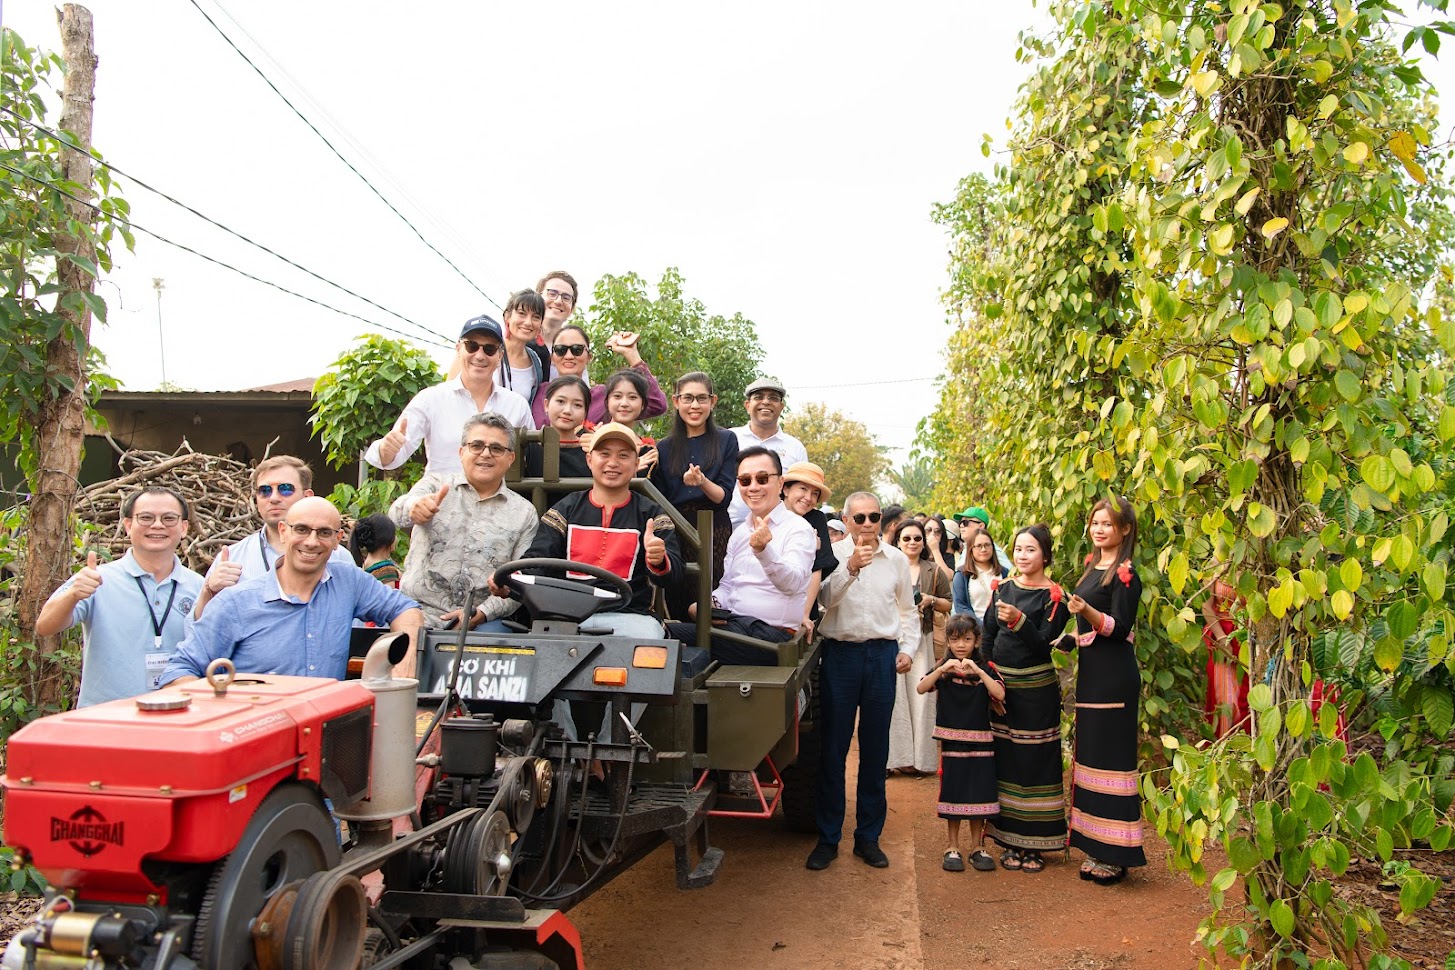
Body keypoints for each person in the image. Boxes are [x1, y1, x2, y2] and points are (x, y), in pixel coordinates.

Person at [162, 497, 423, 685]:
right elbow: (178, 671)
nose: (311, 541)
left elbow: (406, 609)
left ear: (337, 539)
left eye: (323, 532)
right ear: (284, 532)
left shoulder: (348, 582)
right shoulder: (236, 604)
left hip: (322, 739)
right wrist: (220, 709)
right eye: (301, 529)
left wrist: (404, 659)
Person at [806, 491, 917, 872]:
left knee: (875, 750)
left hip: (882, 657)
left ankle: (868, 838)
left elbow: (907, 610)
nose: (868, 524)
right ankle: (828, 837)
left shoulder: (898, 560)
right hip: (840, 655)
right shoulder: (832, 557)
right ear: (846, 519)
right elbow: (824, 604)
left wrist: (908, 648)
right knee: (833, 749)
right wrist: (851, 566)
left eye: (874, 517)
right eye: (860, 518)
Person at [510, 422, 684, 639]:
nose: (613, 463)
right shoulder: (566, 509)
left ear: (636, 463)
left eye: (623, 456)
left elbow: (674, 575)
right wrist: (510, 581)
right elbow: (538, 559)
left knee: (648, 639)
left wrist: (658, 560)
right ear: (589, 460)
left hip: (631, 618)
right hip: (567, 617)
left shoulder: (652, 514)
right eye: (604, 454)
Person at [37, 486, 204, 707]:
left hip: (175, 716)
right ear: (127, 525)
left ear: (184, 528)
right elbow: (45, 626)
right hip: (105, 721)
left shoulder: (199, 586)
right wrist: (73, 596)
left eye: (169, 518)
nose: (157, 525)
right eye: (145, 517)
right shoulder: (98, 579)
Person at [390, 412, 540, 630]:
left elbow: (519, 584)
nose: (486, 454)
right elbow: (397, 510)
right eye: (476, 445)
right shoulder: (435, 484)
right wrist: (414, 508)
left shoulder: (524, 513)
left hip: (481, 621)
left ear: (511, 458)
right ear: (461, 452)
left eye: (496, 448)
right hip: (416, 611)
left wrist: (481, 613)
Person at [664, 446, 814, 665]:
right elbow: (728, 587)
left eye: (762, 479)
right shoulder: (741, 532)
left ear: (780, 483)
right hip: (733, 626)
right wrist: (709, 605)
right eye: (745, 480)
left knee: (666, 636)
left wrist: (764, 551)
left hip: (771, 638)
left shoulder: (798, 528)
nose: (753, 487)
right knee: (660, 631)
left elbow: (793, 584)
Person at [1065, 497, 1147, 884]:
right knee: (1092, 755)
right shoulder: (1090, 567)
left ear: (1125, 530)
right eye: (1095, 523)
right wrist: (1070, 637)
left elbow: (1118, 627)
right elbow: (1090, 632)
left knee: (1113, 759)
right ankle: (1097, 845)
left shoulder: (1127, 573)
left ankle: (1117, 854)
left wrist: (1086, 613)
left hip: (1115, 677)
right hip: (1091, 675)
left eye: (1108, 524)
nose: (1099, 530)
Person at [984, 523, 1068, 874]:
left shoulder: (1055, 597)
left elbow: (1043, 645)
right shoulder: (1002, 588)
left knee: (1036, 761)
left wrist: (1020, 622)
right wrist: (990, 683)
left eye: (1030, 549)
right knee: (1007, 759)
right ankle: (1008, 839)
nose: (1022, 555)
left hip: (1037, 690)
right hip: (1004, 688)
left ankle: (1035, 844)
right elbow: (987, 637)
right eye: (1018, 548)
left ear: (1045, 555)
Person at [366, 315, 534, 478]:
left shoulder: (517, 405)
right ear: (458, 349)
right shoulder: (431, 399)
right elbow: (393, 455)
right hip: (441, 500)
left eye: (489, 349)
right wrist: (386, 450)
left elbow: (534, 458)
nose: (480, 355)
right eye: (471, 346)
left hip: (495, 502)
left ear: (500, 356)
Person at [193, 455, 354, 618]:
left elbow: (354, 626)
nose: (274, 498)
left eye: (285, 489)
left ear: (307, 496)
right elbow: (195, 630)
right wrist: (209, 592)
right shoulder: (233, 558)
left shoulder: (338, 557)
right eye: (265, 491)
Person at [918, 614, 1004, 873]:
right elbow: (922, 687)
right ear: (948, 641)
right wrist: (943, 668)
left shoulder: (985, 668)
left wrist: (977, 671)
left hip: (980, 740)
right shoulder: (944, 668)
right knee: (954, 790)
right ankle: (952, 846)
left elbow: (999, 693)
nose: (961, 645)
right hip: (952, 741)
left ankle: (977, 847)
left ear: (977, 641)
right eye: (955, 640)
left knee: (979, 791)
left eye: (967, 639)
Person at [650, 372, 739, 618]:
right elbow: (659, 496)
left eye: (702, 398)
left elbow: (724, 496)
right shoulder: (664, 447)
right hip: (676, 529)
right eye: (688, 398)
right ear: (676, 401)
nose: (695, 405)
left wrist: (701, 482)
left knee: (710, 596)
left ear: (713, 401)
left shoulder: (726, 439)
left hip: (714, 529)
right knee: (676, 595)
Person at [888, 519, 951, 776]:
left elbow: (948, 603)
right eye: (907, 538)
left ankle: (920, 761)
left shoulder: (932, 570)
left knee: (921, 698)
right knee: (894, 700)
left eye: (917, 538)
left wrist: (931, 600)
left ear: (923, 543)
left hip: (922, 639)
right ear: (897, 541)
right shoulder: (888, 566)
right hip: (892, 639)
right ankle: (893, 760)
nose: (912, 542)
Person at [531, 324, 670, 428]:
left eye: (577, 350)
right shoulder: (540, 392)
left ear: (589, 357)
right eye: (560, 350)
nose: (569, 356)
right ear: (552, 358)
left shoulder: (603, 396)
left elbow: (657, 404)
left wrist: (631, 354)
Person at [726, 378, 808, 529]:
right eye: (758, 397)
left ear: (781, 406)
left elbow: (802, 493)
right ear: (747, 405)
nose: (766, 402)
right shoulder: (729, 438)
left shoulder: (795, 448)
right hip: (730, 527)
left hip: (779, 532)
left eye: (773, 398)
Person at [780, 462, 839, 639]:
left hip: (801, 602)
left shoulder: (816, 518)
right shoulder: (769, 513)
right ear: (785, 489)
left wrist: (804, 615)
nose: (808, 497)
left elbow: (817, 569)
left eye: (815, 494)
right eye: (803, 489)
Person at [1202, 572, 1249, 737]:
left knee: (1246, 696)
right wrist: (1222, 638)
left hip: (1248, 640)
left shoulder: (1256, 562)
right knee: (1224, 697)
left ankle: (1245, 745)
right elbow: (1206, 606)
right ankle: (1223, 747)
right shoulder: (1218, 563)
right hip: (1221, 635)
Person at [524, 376, 592, 480]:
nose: (567, 410)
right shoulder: (528, 447)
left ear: (585, 412)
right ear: (546, 405)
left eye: (577, 405)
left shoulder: (590, 448)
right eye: (561, 401)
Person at [496, 289, 551, 404]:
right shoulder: (480, 349)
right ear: (507, 316)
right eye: (522, 313)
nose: (528, 322)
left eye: (536, 317)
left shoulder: (536, 362)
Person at [953, 527, 1009, 619]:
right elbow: (961, 606)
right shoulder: (962, 575)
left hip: (1002, 628)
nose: (983, 549)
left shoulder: (1004, 572)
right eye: (979, 546)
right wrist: (980, 627)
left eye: (987, 545)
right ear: (971, 549)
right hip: (975, 628)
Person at [924, 514, 958, 657]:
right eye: (928, 530)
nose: (933, 535)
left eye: (938, 532)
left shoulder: (947, 557)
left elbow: (948, 575)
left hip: (938, 619)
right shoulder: (915, 556)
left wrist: (936, 550)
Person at [954, 505, 1014, 573]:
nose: (961, 526)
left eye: (965, 523)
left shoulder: (992, 551)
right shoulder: (967, 548)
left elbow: (1010, 575)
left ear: (981, 526)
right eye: (960, 522)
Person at [350, 513, 401, 587]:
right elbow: (388, 597)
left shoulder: (366, 564)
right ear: (387, 538)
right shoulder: (386, 570)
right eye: (394, 534)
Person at [537, 269, 579, 349]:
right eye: (552, 294)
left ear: (572, 309)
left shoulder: (574, 353)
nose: (558, 301)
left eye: (566, 298)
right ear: (537, 298)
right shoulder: (516, 342)